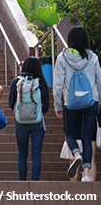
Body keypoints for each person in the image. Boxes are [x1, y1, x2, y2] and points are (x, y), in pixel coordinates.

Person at [54, 27, 101, 182]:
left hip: (71, 103)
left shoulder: (63, 57)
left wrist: (58, 105)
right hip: (91, 102)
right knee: (87, 137)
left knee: (70, 135)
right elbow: (98, 80)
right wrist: (98, 101)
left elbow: (58, 83)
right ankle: (86, 173)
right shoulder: (92, 57)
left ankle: (76, 155)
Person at [8, 58, 49, 181]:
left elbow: (11, 103)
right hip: (38, 123)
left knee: (22, 154)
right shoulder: (41, 82)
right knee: (36, 154)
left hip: (20, 122)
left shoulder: (16, 81)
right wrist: (36, 113)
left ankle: (22, 182)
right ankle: (34, 182)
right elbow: (46, 105)